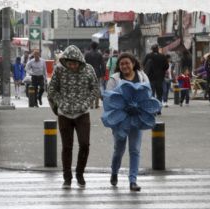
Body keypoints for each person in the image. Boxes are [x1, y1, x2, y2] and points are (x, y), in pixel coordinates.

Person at [47, 45, 99, 189]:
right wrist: (61, 102)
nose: (72, 66)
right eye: (69, 63)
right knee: (67, 146)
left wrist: (86, 102)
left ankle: (80, 173)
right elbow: (51, 89)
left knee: (84, 144)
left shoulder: (89, 69)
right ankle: (67, 177)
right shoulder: (59, 70)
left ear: (80, 61)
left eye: (74, 63)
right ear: (65, 62)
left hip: (82, 113)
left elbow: (95, 88)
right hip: (64, 114)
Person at [105, 52, 150, 192]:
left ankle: (133, 180)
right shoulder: (115, 79)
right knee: (119, 149)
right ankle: (114, 171)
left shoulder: (142, 76)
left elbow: (148, 95)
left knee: (135, 150)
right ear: (118, 66)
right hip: (120, 119)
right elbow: (108, 98)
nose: (124, 66)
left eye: (127, 63)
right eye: (121, 63)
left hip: (137, 118)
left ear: (133, 63)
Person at [84, 41, 105, 109]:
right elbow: (103, 64)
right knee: (97, 87)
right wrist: (103, 73)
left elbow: (84, 64)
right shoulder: (99, 54)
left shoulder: (87, 54)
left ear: (91, 46)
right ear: (97, 47)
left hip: (88, 72)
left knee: (89, 88)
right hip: (97, 73)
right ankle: (96, 104)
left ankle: (91, 104)